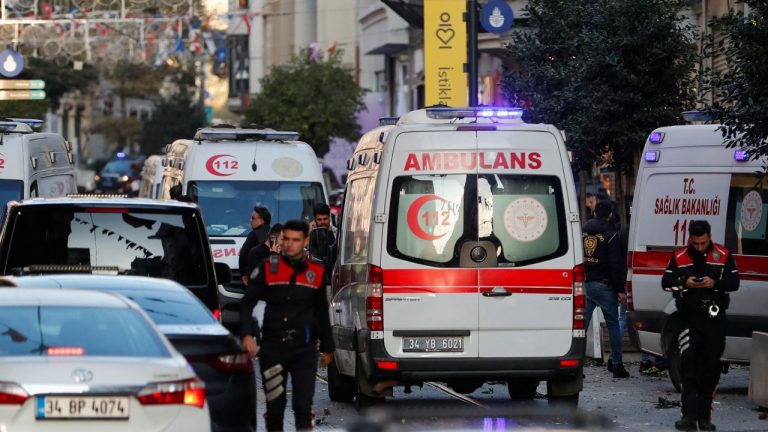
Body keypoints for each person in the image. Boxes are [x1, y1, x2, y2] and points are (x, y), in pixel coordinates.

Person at [239, 220, 334, 431]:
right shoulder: (268, 268)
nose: (290, 244)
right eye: (287, 239)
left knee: (302, 405)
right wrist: (246, 335)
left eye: (296, 240)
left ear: (305, 241)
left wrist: (328, 347)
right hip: (273, 349)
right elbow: (246, 303)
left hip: (304, 349)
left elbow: (321, 311)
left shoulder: (316, 272)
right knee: (275, 408)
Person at [661, 220, 739, 431]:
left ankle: (705, 417)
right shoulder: (679, 256)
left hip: (715, 319)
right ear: (690, 239)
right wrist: (684, 283)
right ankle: (688, 416)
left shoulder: (723, 255)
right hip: (688, 319)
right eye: (695, 243)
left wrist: (715, 283)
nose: (699, 247)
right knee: (688, 366)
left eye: (703, 243)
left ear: (709, 238)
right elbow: (666, 283)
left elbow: (734, 283)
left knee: (711, 368)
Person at [582, 200, 630, 378]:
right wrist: (620, 289)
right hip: (604, 285)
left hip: (585, 284)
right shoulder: (611, 235)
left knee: (580, 328)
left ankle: (576, 366)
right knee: (613, 325)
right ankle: (617, 364)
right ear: (610, 215)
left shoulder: (582, 234)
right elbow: (615, 264)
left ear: (594, 213)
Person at [239, 206, 271, 284]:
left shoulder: (254, 235)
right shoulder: (274, 234)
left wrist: (244, 274)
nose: (250, 220)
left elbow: (244, 254)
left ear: (262, 221)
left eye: (253, 218)